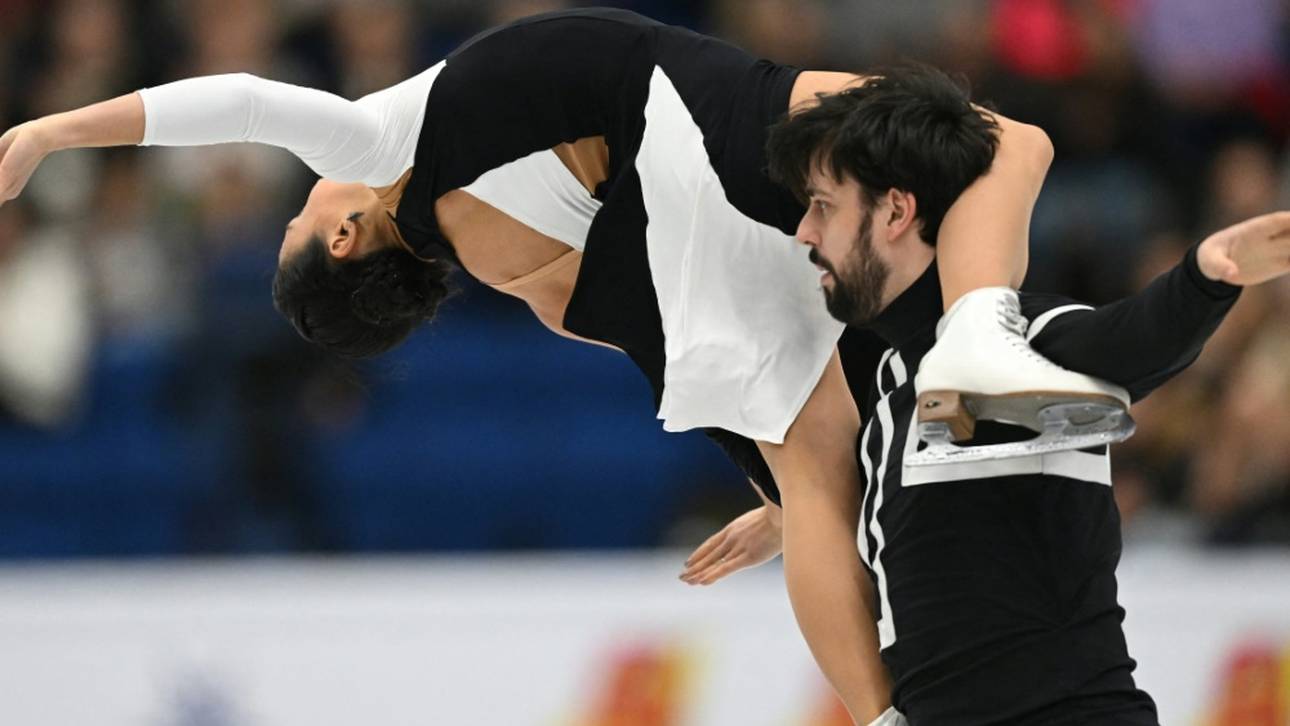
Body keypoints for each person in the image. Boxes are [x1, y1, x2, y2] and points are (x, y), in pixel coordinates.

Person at [0, 9, 1116, 723]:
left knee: (825, 455)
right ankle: (980, 339)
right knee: (1000, 145)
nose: (307, 188)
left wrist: (777, 494)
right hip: (689, 108)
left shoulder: (515, 270)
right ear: (344, 239)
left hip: (676, 154)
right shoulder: (382, 147)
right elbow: (241, 102)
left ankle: (893, 688)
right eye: (303, 214)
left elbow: (656, 325)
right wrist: (54, 131)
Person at [747, 66, 1290, 724]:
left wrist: (1204, 278)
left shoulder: (1013, 343)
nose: (805, 232)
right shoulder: (889, 391)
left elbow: (1125, 344)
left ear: (896, 210)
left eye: (823, 206)